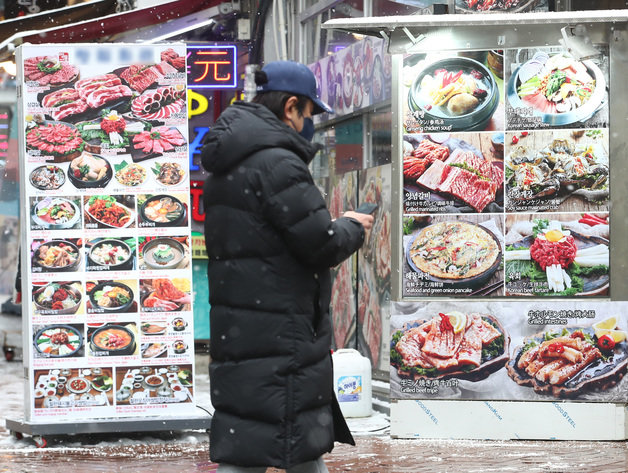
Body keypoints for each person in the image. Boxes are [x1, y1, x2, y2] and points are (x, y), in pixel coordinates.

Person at [201, 60, 373, 473]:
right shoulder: (278, 163)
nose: (310, 123)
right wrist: (351, 226)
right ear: (291, 107)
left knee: (248, 434)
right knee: (295, 437)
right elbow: (319, 245)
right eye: (310, 113)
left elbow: (266, 239)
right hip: (284, 330)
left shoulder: (227, 164)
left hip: (242, 328)